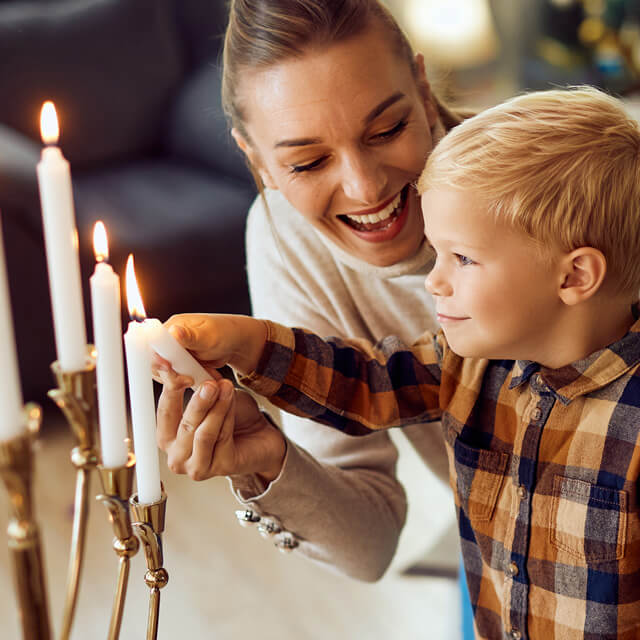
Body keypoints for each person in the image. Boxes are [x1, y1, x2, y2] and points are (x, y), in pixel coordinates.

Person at [156, 87, 640, 639]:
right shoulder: (468, 365)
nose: (434, 280)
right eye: (438, 253)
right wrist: (246, 344)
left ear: (574, 276)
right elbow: (362, 381)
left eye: (462, 258)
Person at [155, 0, 467, 584]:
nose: (364, 186)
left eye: (388, 129)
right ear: (256, 159)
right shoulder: (287, 241)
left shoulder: (546, 192)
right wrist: (272, 465)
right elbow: (368, 549)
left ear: (423, 92)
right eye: (307, 161)